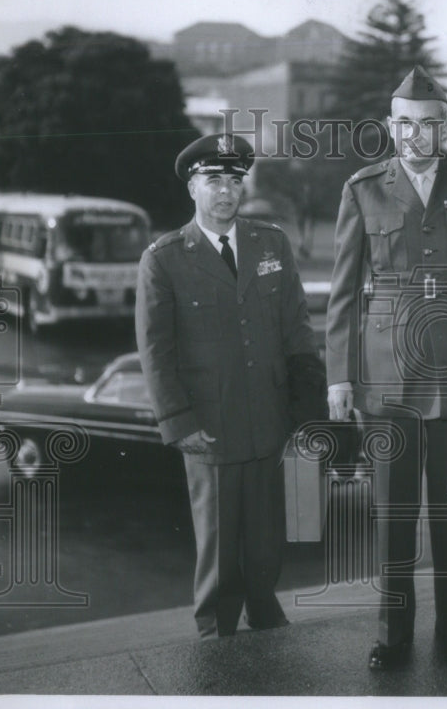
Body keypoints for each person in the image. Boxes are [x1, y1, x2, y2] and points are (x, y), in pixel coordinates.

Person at [325, 65, 447, 671]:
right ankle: (392, 632)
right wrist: (339, 376)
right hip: (387, 378)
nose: (415, 137)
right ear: (390, 127)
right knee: (393, 513)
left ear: (444, 127)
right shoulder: (364, 188)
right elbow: (342, 291)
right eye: (404, 126)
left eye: (427, 126)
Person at [135, 133, 320, 638]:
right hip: (209, 424)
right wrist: (178, 422)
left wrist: (306, 407)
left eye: (234, 180)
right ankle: (215, 632)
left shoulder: (271, 242)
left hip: (268, 417)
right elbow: (156, 352)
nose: (226, 191)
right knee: (219, 541)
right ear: (192, 188)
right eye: (213, 180)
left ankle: (265, 611)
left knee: (265, 537)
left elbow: (296, 325)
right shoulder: (165, 258)